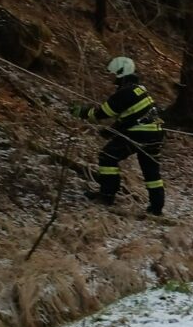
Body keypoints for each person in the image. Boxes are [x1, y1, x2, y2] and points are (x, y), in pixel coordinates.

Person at [70, 56, 166, 215]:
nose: (112, 79)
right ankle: (156, 207)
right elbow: (131, 116)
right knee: (151, 171)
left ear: (121, 72)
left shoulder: (124, 93)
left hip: (140, 133)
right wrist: (111, 131)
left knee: (107, 157)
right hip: (155, 133)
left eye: (114, 74)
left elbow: (101, 113)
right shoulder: (139, 89)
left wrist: (80, 112)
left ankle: (107, 195)